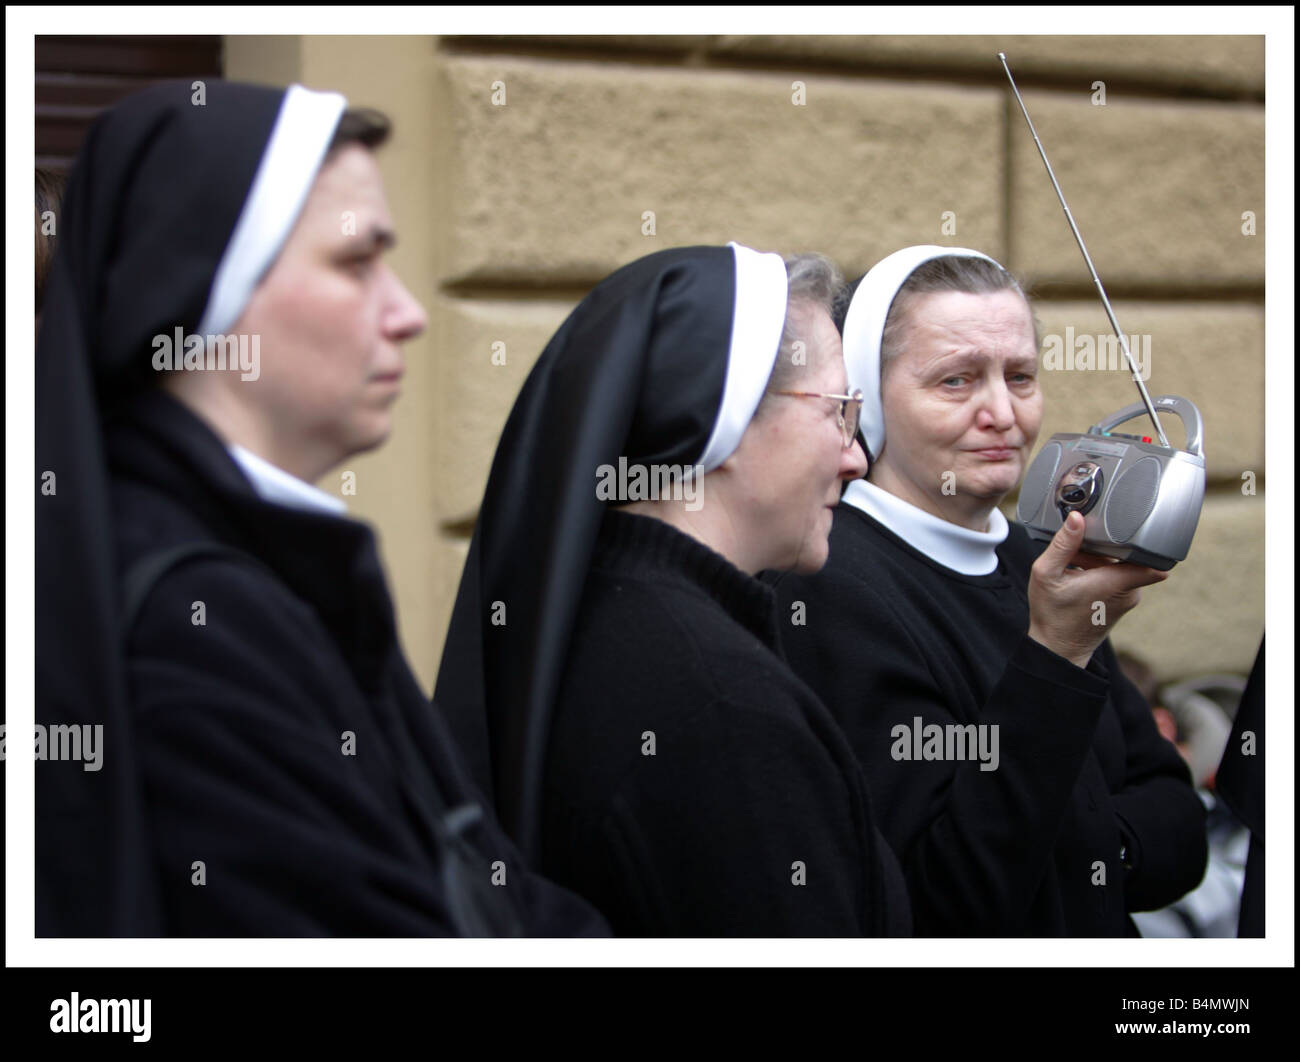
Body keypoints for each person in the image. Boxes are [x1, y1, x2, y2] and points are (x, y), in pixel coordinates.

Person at [36, 79, 605, 936]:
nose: (408, 313)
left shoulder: (272, 564)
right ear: (208, 286)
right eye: (355, 262)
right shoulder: (191, 623)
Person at [436, 246, 911, 935]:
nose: (855, 456)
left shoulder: (587, 615)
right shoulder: (724, 710)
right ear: (726, 412)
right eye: (839, 411)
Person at [771, 245, 1207, 936]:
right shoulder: (829, 587)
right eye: (956, 381)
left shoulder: (1039, 555)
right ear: (867, 396)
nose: (1002, 413)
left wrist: (1073, 858)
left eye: (1021, 377)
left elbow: (1180, 827)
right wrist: (1054, 655)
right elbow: (948, 897)